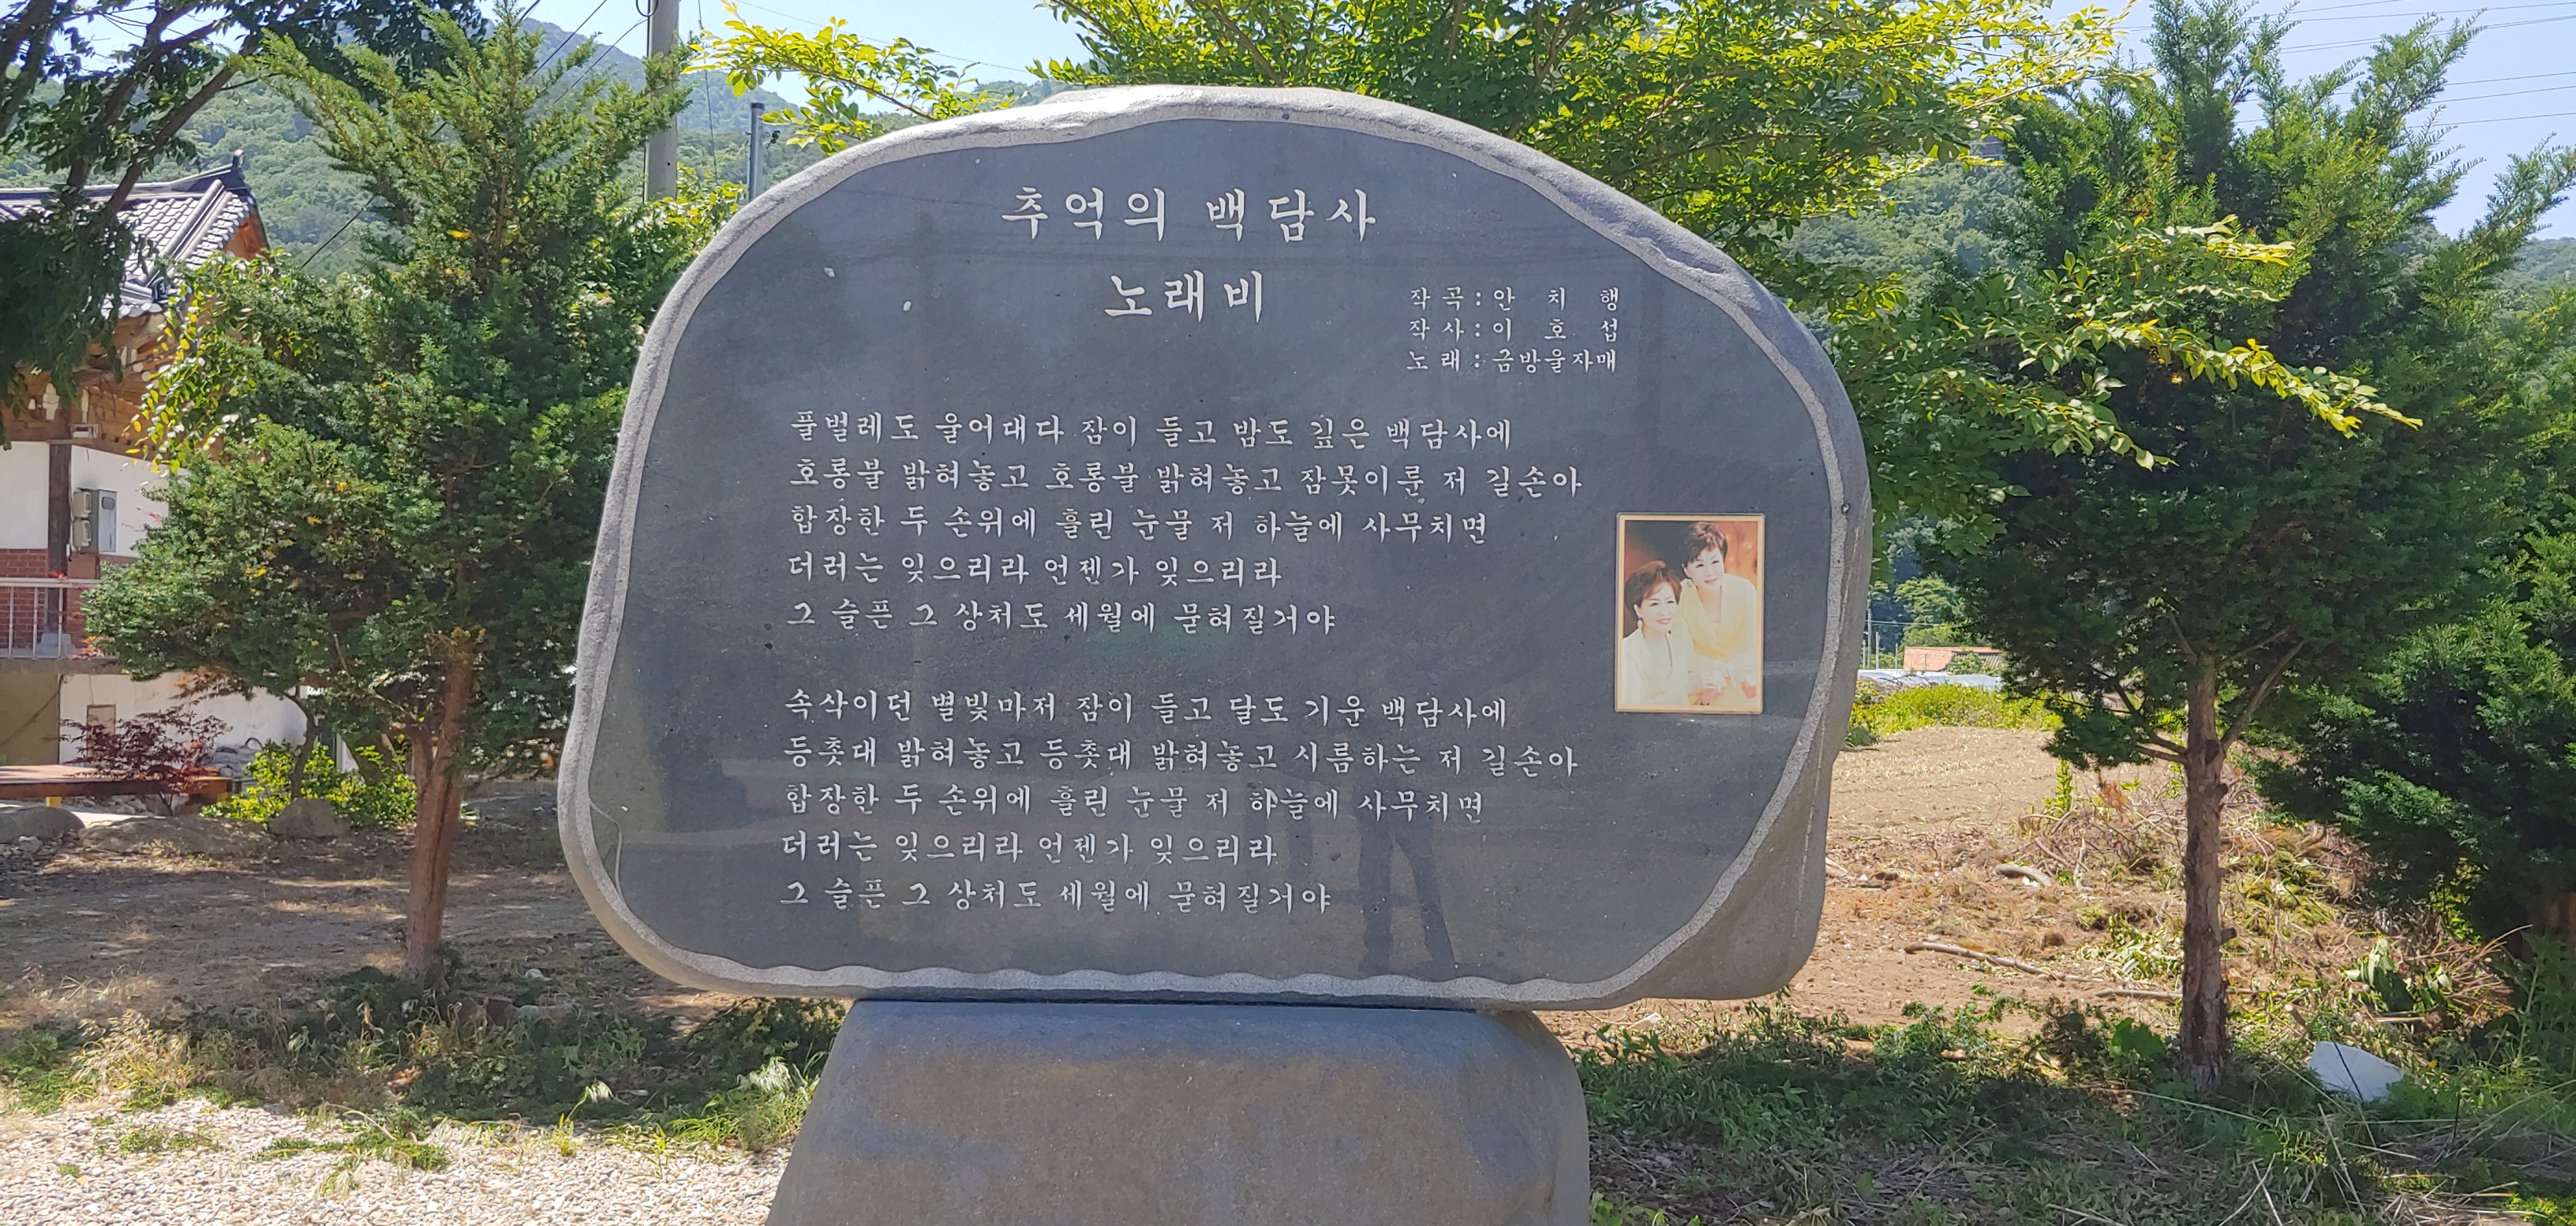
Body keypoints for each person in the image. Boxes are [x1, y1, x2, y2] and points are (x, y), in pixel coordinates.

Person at [1674, 521, 1760, 710]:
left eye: (1715, 562)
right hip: (1702, 688)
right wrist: (1716, 676)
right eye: (1699, 565)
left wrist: (1724, 674)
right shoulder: (1679, 596)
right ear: (1686, 570)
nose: (1710, 572)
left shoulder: (1745, 591)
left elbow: (1754, 650)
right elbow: (1685, 655)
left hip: (1742, 687)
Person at [1620, 562, 1690, 707]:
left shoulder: (1680, 647)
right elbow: (1634, 708)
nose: (1664, 611)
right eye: (1654, 604)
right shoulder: (1626, 650)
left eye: (1670, 602)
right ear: (1638, 610)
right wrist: (1687, 690)